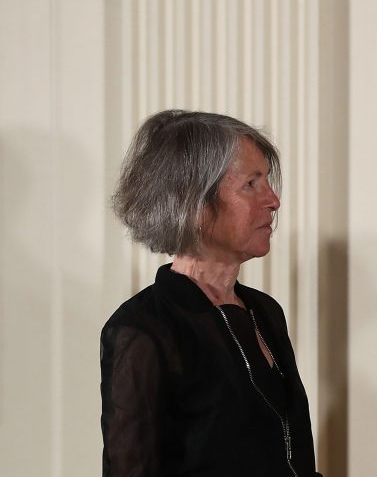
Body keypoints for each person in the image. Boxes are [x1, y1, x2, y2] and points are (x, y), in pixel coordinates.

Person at [101, 110, 321, 477]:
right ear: (193, 202)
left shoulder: (264, 311)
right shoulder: (142, 329)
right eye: (251, 184)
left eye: (266, 181)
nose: (273, 200)